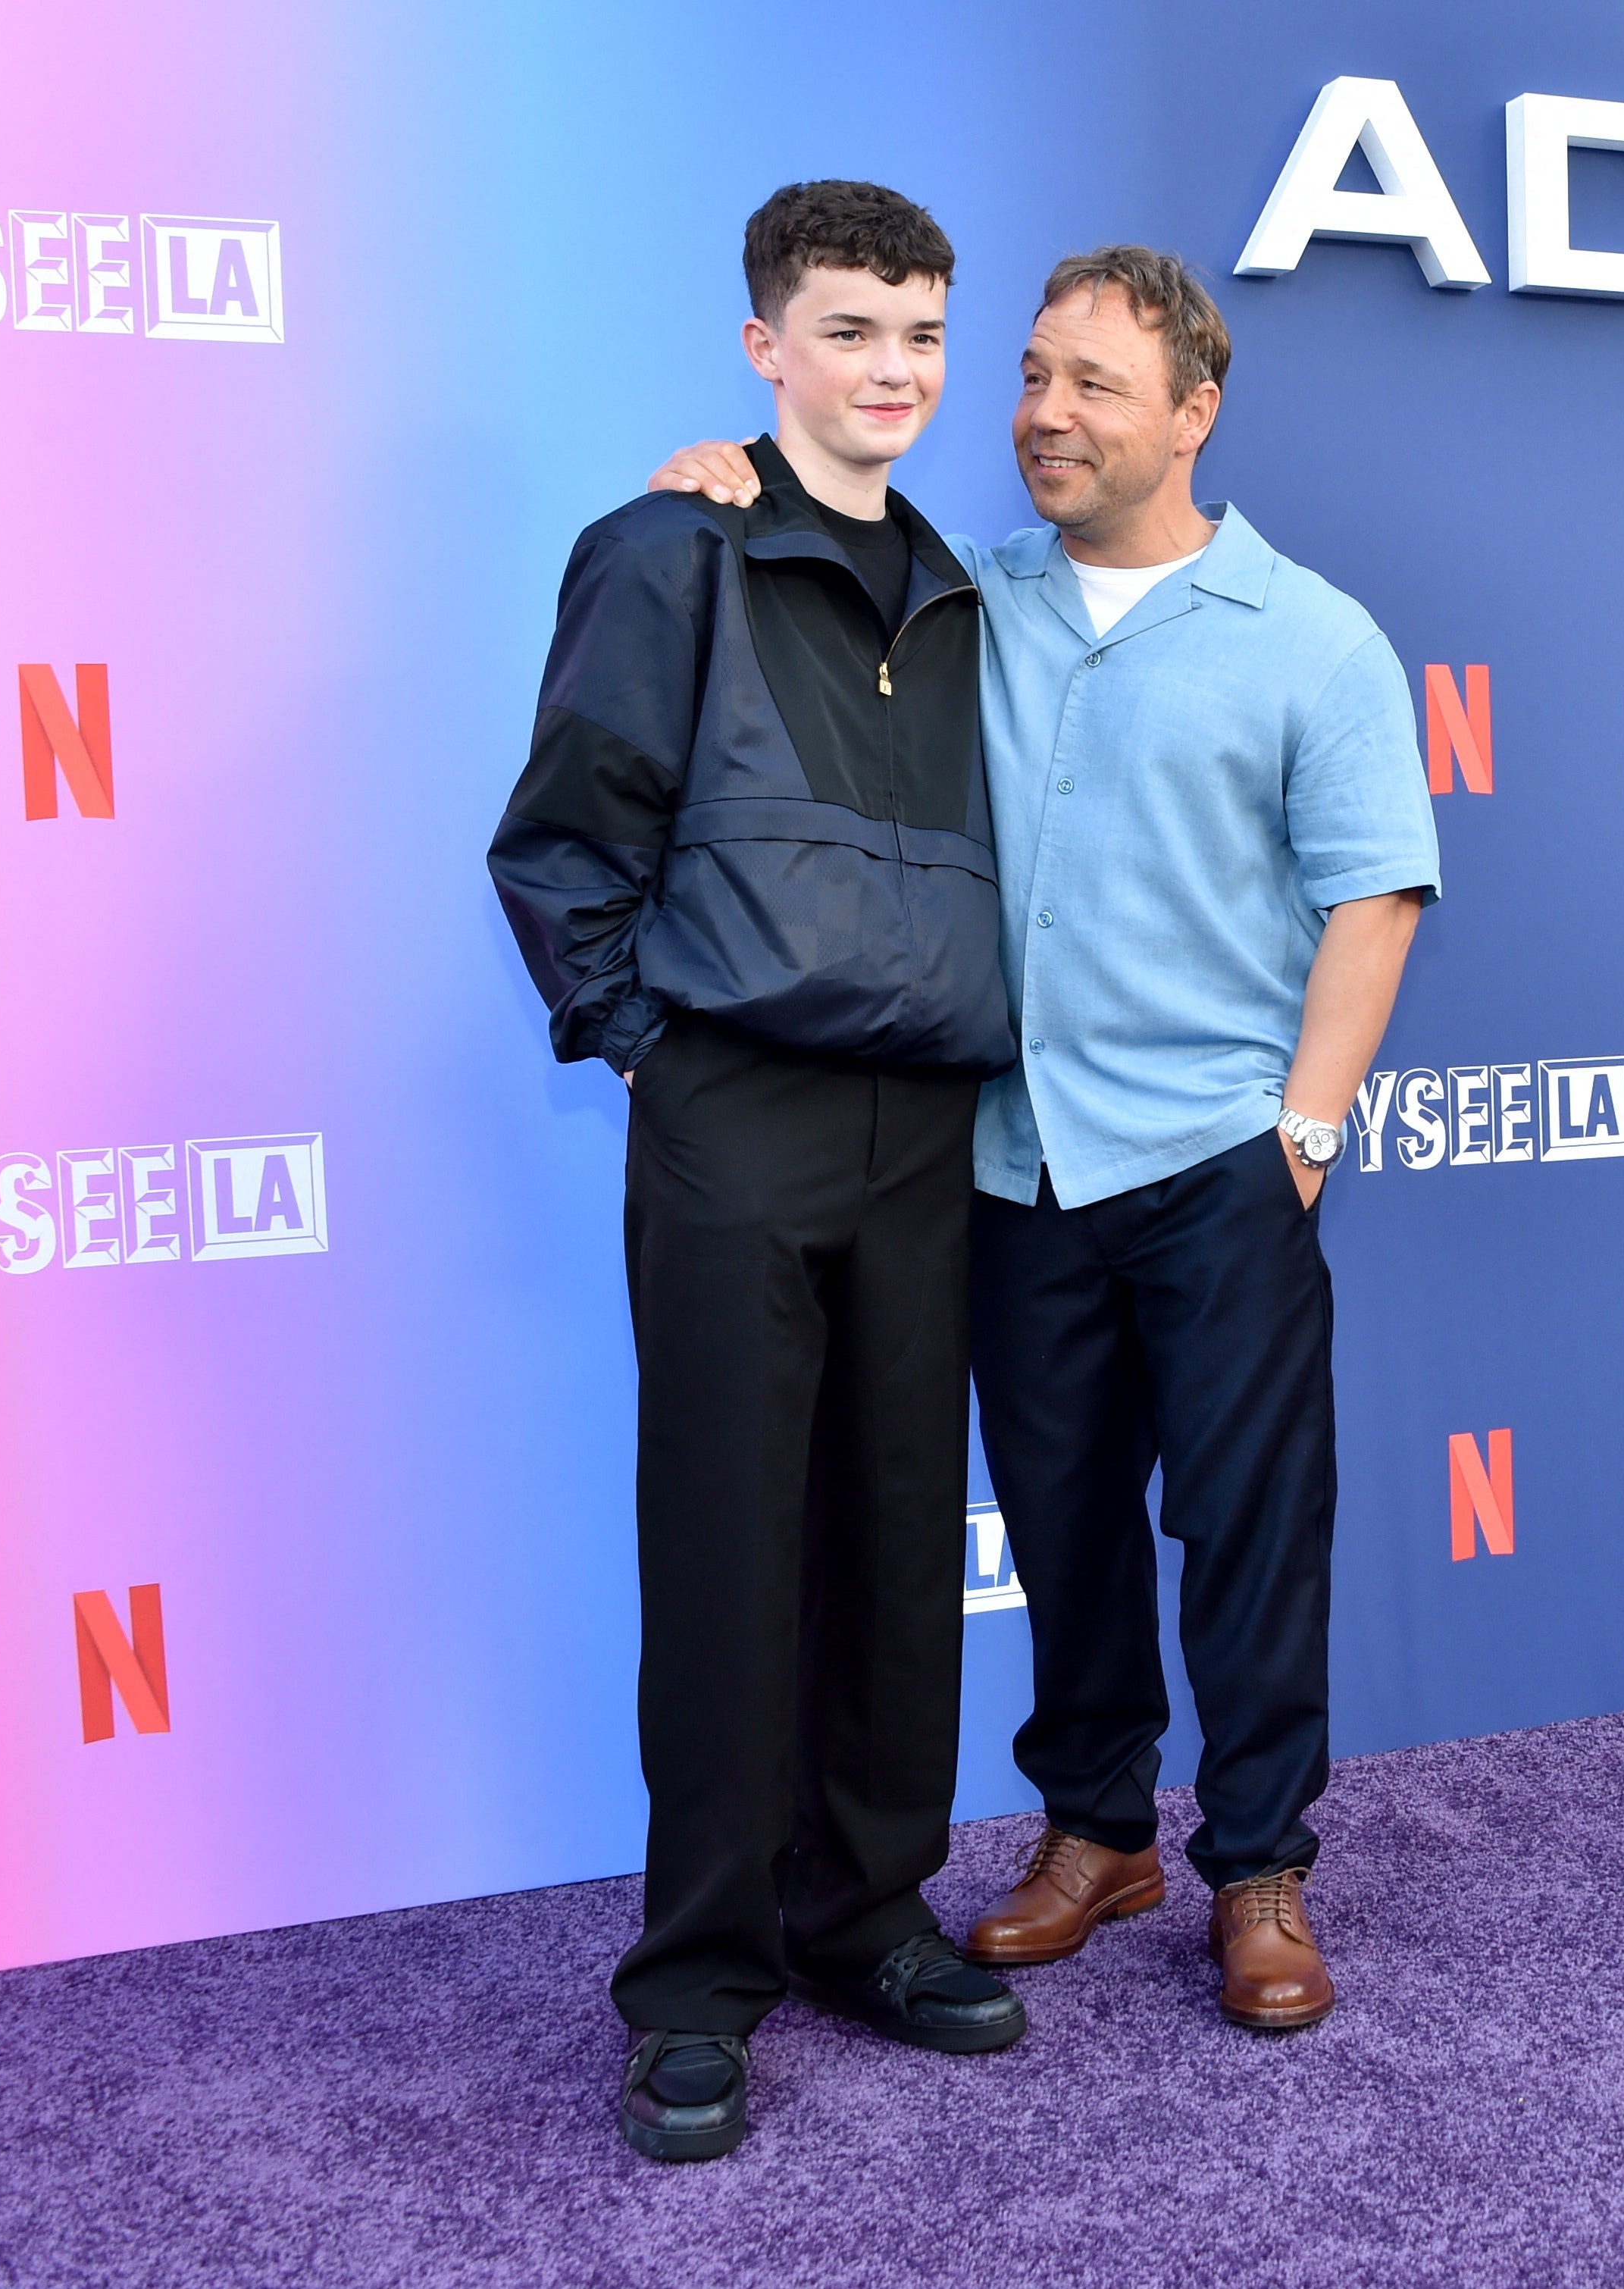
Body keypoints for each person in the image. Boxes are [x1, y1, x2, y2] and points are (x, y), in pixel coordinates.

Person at [652, 245, 1440, 2032]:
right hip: (1006, 1167)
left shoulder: (1311, 635)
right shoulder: (958, 596)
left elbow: (1375, 898)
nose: (1043, 416)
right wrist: (722, 479)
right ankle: (1098, 1833)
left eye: (1093, 384)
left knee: (1246, 1530)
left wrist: (1300, 1137)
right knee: (1066, 1526)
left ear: (1193, 412)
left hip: (1219, 1159)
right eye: (1029, 377)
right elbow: (802, 546)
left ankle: (1258, 1865)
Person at [489, 180, 1026, 2166]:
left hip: (929, 1130)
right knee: (729, 1548)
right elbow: (560, 845)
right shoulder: (668, 549)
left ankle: (863, 1913)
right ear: (762, 346)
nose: (891, 372)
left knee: (897, 1538)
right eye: (850, 331)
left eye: (919, 336)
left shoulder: (964, 586)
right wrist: (660, 1055)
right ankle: (698, 1978)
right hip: (735, 1114)